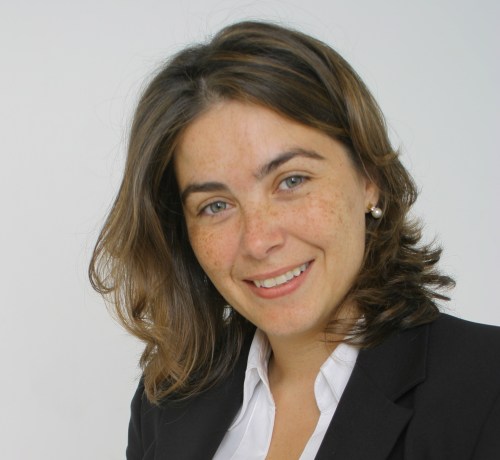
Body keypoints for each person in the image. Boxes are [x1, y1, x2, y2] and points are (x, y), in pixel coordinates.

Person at [89, 21, 500, 459]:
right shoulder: (165, 402)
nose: (258, 240)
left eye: (291, 181)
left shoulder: (487, 388)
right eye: (215, 205)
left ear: (369, 178)